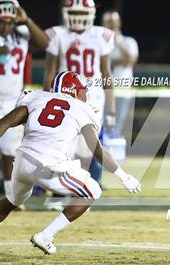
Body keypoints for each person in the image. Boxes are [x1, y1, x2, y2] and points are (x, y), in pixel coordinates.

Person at [0, 71, 141, 254]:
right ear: (74, 90)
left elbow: (6, 121)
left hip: (21, 162)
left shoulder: (35, 97)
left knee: (12, 200)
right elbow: (97, 149)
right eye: (83, 90)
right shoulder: (81, 109)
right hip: (47, 166)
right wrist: (124, 176)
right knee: (93, 190)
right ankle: (46, 236)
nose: (86, 94)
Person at [0, 0, 49, 209]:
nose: (6, 26)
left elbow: (45, 43)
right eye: (1, 22)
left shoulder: (20, 34)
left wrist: (27, 20)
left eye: (9, 22)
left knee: (11, 149)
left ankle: (10, 194)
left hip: (13, 98)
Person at [43, 0, 116, 185]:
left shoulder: (101, 35)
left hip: (93, 98)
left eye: (83, 13)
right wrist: (46, 99)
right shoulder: (57, 34)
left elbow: (106, 73)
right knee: (63, 146)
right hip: (66, 96)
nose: (78, 18)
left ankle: (77, 190)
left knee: (86, 149)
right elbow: (50, 71)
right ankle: (59, 190)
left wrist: (111, 108)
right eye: (75, 13)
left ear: (91, 14)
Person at [102, 10, 139, 136]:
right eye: (108, 22)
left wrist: (118, 43)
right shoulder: (100, 43)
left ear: (119, 23)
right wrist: (119, 61)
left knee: (117, 126)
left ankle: (112, 152)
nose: (111, 25)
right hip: (103, 91)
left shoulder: (129, 42)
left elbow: (130, 60)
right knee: (101, 123)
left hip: (123, 90)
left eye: (113, 22)